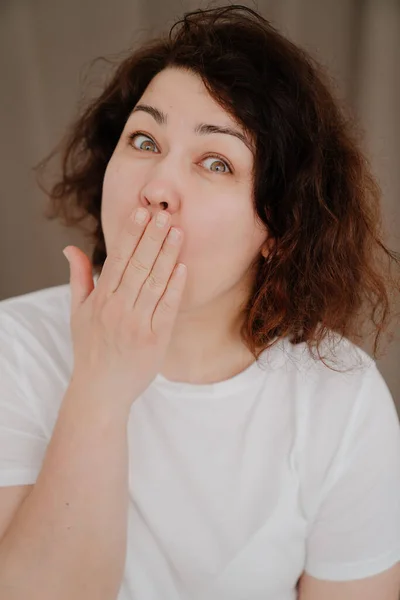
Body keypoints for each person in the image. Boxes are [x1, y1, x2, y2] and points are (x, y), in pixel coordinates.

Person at [0, 4, 399, 600]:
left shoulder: (340, 398)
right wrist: (101, 389)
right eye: (144, 139)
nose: (158, 186)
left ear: (280, 230)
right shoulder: (14, 347)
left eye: (216, 162)